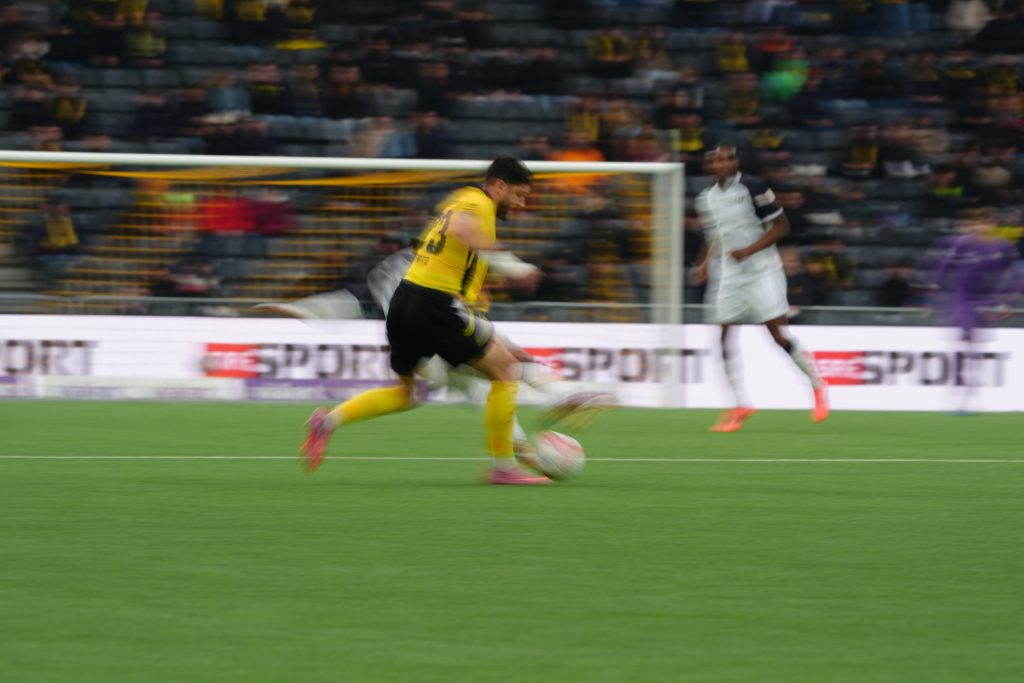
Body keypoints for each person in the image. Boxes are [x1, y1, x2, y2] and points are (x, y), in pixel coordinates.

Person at [300, 156, 550, 484]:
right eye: (519, 195)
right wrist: (513, 266)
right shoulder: (479, 202)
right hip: (432, 305)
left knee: (408, 393)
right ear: (499, 186)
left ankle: (328, 421)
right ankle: (504, 466)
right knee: (505, 371)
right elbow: (461, 228)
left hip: (404, 299)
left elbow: (448, 246)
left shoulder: (460, 198)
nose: (521, 204)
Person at [694, 146, 829, 432]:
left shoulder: (753, 188)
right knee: (723, 338)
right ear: (709, 166)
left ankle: (817, 385)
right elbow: (716, 234)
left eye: (726, 159)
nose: (721, 164)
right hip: (731, 275)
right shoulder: (707, 198)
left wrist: (749, 250)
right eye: (715, 160)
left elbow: (781, 227)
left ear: (735, 162)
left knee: (777, 336)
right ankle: (740, 404)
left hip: (763, 271)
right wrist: (705, 262)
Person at [934, 207, 1021, 412]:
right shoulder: (963, 244)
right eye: (979, 223)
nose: (982, 226)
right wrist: (943, 288)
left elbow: (1015, 272)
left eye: (987, 222)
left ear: (994, 225)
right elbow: (944, 268)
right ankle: (959, 397)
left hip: (987, 302)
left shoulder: (1003, 246)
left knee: (976, 350)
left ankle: (972, 396)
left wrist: (1011, 295)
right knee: (965, 347)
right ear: (975, 225)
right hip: (964, 301)